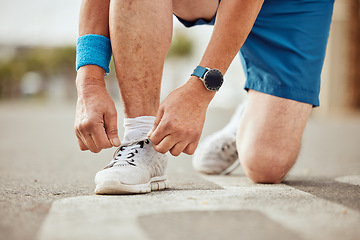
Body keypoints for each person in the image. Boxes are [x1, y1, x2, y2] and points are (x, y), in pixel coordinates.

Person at [74, 0, 334, 194]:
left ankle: (251, 111)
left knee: (266, 164)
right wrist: (89, 82)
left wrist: (198, 92)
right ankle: (140, 140)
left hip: (293, 5)